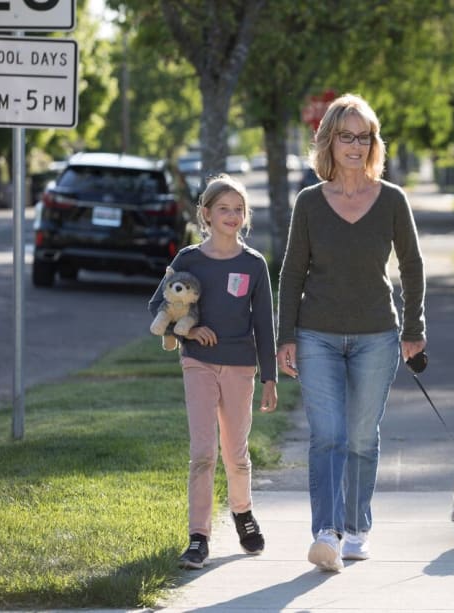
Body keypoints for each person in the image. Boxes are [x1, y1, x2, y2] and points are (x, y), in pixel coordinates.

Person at [276, 93, 426, 572]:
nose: (356, 146)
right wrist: (286, 336)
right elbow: (292, 271)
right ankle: (326, 531)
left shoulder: (392, 200)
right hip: (316, 333)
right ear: (330, 141)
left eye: (365, 137)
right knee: (328, 436)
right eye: (347, 136)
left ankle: (357, 526)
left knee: (361, 435)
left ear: (373, 143)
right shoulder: (309, 203)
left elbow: (413, 265)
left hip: (376, 335)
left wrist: (414, 325)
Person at [148, 173, 278, 569]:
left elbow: (264, 325)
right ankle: (198, 537)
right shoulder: (187, 260)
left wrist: (270, 377)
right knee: (203, 453)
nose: (232, 215)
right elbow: (159, 305)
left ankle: (243, 513)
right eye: (224, 209)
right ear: (205, 214)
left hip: (241, 366)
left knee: (236, 454)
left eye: (239, 209)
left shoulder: (253, 264)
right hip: (198, 363)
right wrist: (189, 330)